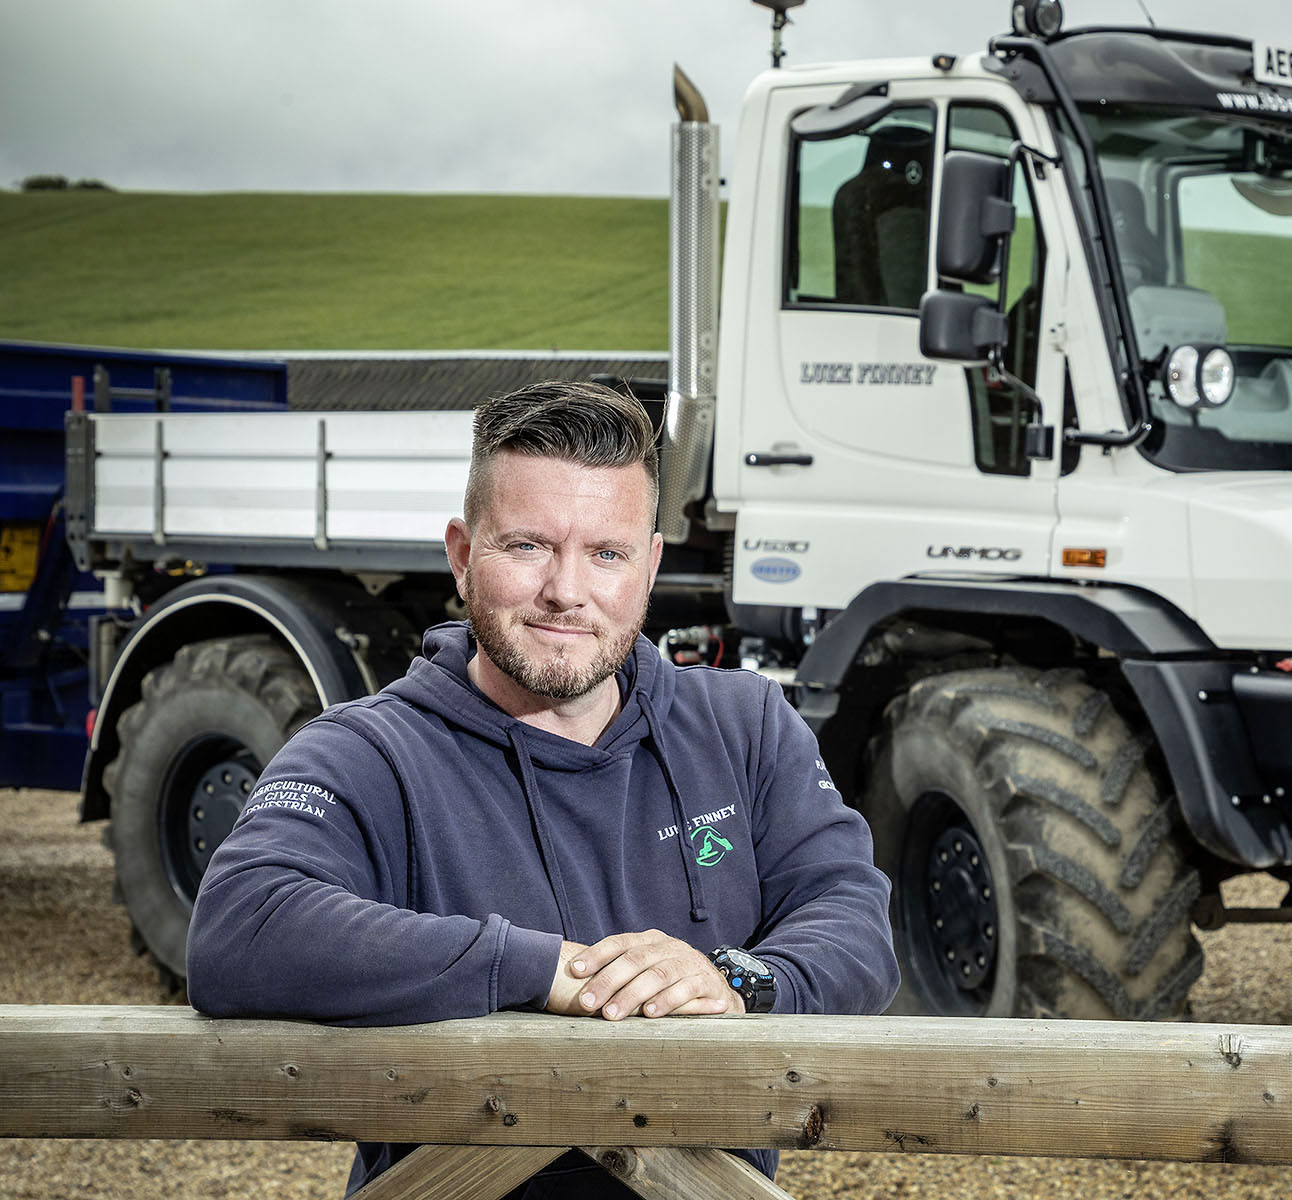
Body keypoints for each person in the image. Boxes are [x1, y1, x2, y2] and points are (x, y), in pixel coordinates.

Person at [187, 380, 900, 1197]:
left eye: (607, 553)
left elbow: (852, 919)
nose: (568, 590)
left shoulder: (745, 726)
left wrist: (736, 980)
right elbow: (242, 925)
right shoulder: (366, 754)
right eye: (528, 546)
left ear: (651, 564)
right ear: (461, 555)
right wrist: (544, 971)